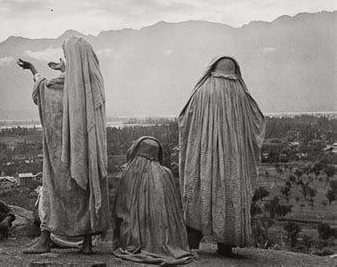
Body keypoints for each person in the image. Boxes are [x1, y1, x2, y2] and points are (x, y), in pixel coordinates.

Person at [18, 36, 109, 254]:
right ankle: (86, 243)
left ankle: (45, 239)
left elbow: (42, 90)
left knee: (53, 190)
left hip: (59, 153)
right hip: (86, 153)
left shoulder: (59, 85)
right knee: (83, 192)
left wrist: (33, 69)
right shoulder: (94, 84)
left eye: (66, 56)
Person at [178, 56, 265, 256]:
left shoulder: (201, 91)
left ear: (212, 68)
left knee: (200, 190)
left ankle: (192, 241)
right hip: (232, 160)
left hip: (203, 157)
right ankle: (225, 245)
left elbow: (184, 119)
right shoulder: (241, 94)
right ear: (235, 71)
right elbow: (257, 122)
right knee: (229, 192)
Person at [112, 136, 194, 265]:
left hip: (132, 239)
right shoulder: (166, 173)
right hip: (166, 237)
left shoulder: (129, 172)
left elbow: (121, 209)